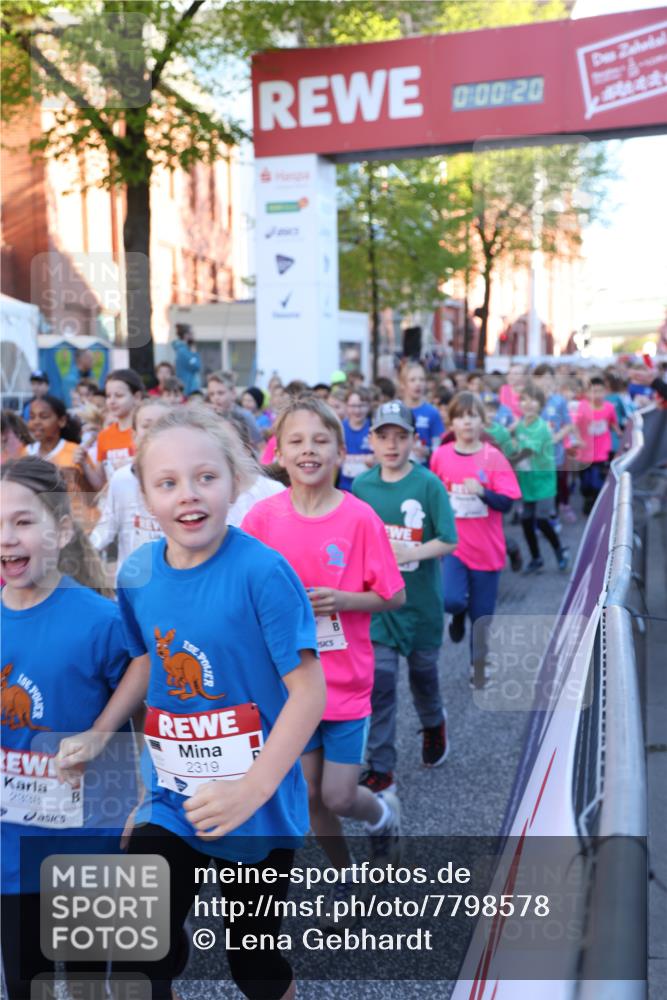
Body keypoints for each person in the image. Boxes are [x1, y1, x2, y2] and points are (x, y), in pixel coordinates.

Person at [57, 405, 326, 1000]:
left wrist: (250, 789)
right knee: (138, 945)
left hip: (256, 804)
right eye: (168, 483)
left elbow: (309, 694)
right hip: (171, 801)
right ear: (144, 496)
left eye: (206, 477)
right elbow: (148, 661)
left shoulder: (263, 573)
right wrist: (106, 739)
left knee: (252, 964)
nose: (189, 495)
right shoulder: (138, 573)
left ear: (235, 481)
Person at [241, 396, 406, 896]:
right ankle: (345, 874)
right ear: (279, 453)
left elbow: (393, 595)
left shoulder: (359, 518)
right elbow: (242, 589)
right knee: (311, 794)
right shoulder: (262, 519)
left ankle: (381, 815)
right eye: (296, 441)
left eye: (320, 440)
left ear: (340, 451)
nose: (307, 450)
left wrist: (343, 599)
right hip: (289, 684)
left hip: (345, 682)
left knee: (337, 796)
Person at [1, 457, 132, 999]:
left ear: (59, 531)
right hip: (10, 850)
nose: (7, 537)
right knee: (23, 981)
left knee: (85, 982)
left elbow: (140, 719)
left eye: (22, 521)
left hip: (87, 843)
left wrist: (100, 734)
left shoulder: (99, 620)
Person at [352, 401, 457, 792]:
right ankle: (381, 764)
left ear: (415, 439)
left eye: (401, 436)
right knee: (380, 682)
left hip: (421, 604)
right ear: (372, 441)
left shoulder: (428, 484)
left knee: (423, 677)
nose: (392, 445)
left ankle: (434, 723)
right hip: (379, 606)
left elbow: (449, 539)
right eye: (384, 436)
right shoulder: (362, 487)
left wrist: (410, 553)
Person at [430, 392, 521, 687]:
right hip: (454, 546)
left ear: (483, 421)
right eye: (460, 416)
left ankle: (478, 665)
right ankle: (457, 614)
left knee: (482, 617)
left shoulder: (493, 457)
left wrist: (482, 491)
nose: (467, 422)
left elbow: (507, 503)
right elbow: (434, 495)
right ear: (452, 421)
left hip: (487, 549)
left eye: (473, 416)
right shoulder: (441, 455)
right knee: (451, 599)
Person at [90, 399, 171, 571]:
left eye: (163, 425)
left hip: (174, 579)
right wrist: (82, 552)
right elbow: (106, 527)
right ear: (134, 436)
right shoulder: (122, 478)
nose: (154, 432)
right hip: (132, 580)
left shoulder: (185, 480)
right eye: (147, 425)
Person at [512, 384, 571, 572]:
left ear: (541, 405)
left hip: (544, 482)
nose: (528, 404)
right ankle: (536, 558)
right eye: (524, 399)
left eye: (533, 400)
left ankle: (559, 550)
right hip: (527, 482)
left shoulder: (541, 428)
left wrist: (506, 461)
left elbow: (528, 451)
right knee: (526, 520)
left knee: (542, 519)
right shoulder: (520, 425)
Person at [26, 394, 104, 529]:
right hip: (44, 529)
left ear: (61, 421)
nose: (36, 422)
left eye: (44, 417)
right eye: (32, 417)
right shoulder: (24, 454)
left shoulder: (76, 452)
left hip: (80, 529)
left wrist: (80, 472)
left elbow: (95, 496)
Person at [574, 376, 620, 515]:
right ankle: (587, 496)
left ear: (605, 392)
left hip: (601, 450)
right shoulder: (581, 406)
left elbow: (612, 421)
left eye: (600, 391)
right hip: (584, 451)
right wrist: (577, 439)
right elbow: (574, 425)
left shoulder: (609, 407)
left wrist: (618, 431)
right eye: (593, 391)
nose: (597, 395)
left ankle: (594, 505)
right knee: (585, 482)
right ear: (587, 393)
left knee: (596, 480)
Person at [95, 369, 144, 480]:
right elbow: (100, 483)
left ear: (136, 397)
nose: (112, 401)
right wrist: (83, 462)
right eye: (108, 396)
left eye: (119, 395)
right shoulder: (104, 435)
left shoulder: (144, 433)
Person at [400, 361, 444, 464]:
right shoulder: (396, 410)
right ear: (403, 384)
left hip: (423, 471)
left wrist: (427, 451)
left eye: (421, 379)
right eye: (412, 380)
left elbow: (438, 448)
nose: (418, 384)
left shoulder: (432, 412)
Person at [206, 371, 261, 447]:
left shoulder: (245, 416)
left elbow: (261, 447)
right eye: (211, 394)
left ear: (233, 393)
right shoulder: (209, 417)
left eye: (220, 393)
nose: (216, 398)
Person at [339, 387, 374, 491]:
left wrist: (375, 460)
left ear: (368, 406)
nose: (357, 410)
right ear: (346, 406)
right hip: (345, 487)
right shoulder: (340, 429)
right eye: (353, 406)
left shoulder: (374, 428)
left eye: (362, 406)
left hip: (369, 486)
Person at [171, 324, 202, 396]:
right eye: (192, 333)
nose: (194, 336)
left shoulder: (184, 350)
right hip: (188, 391)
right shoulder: (183, 351)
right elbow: (196, 366)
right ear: (186, 335)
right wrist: (194, 353)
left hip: (189, 389)